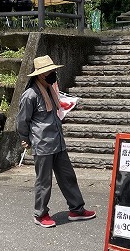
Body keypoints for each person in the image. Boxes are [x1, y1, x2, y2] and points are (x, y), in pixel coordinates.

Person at [16, 55, 96, 228]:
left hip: (57, 142)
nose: (52, 73)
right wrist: (25, 139)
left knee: (68, 177)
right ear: (40, 75)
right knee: (44, 182)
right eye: (49, 71)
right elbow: (22, 121)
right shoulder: (30, 95)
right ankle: (40, 214)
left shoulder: (51, 90)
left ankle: (77, 209)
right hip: (42, 143)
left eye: (52, 70)